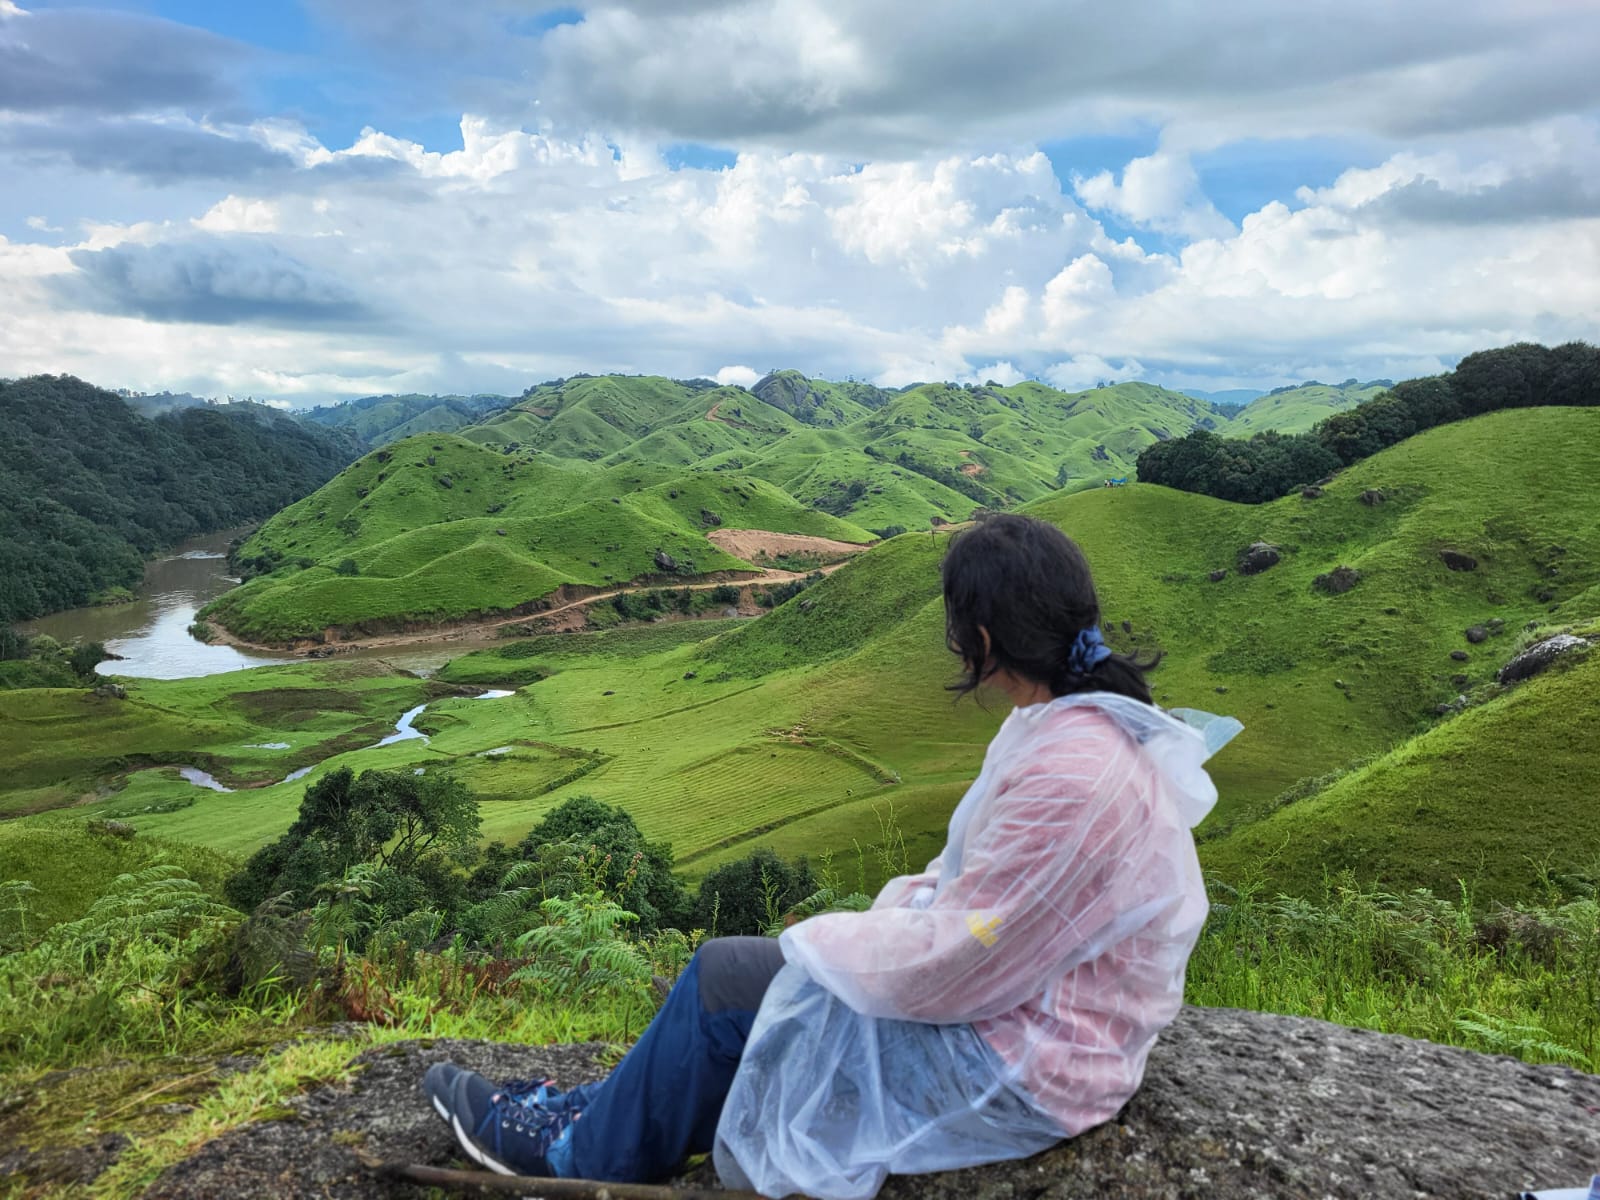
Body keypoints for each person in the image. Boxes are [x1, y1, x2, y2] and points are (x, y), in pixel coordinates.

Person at [425, 512, 1240, 1199]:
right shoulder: (1075, 727)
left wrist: (824, 940)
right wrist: (886, 920)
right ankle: (593, 1113)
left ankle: (578, 1157)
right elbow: (995, 905)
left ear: (982, 636)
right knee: (760, 985)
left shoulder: (1071, 769)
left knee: (729, 980)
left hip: (1027, 1057)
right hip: (1047, 1013)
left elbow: (958, 960)